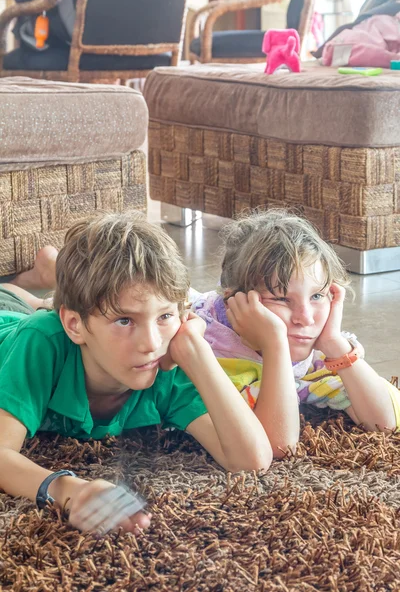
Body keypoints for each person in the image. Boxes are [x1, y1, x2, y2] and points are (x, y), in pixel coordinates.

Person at [0, 211, 272, 535]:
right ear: (74, 325)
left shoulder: (168, 361)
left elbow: (251, 460)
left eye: (165, 316)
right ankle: (33, 284)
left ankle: (48, 280)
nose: (152, 344)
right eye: (125, 321)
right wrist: (67, 490)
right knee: (21, 304)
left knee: (62, 304)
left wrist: (197, 354)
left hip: (62, 320)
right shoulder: (41, 343)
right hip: (13, 322)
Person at [191, 209, 400, 458]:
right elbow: (278, 446)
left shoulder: (316, 345)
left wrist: (334, 343)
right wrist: (274, 343)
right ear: (234, 301)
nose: (306, 318)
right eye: (281, 298)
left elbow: (385, 424)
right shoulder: (208, 349)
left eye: (317, 296)